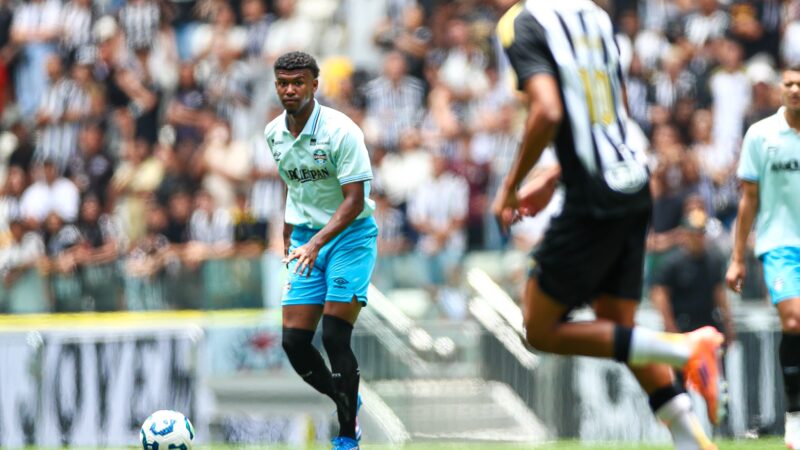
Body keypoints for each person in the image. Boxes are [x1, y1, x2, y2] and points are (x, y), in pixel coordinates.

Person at [491, 2, 724, 449]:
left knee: (539, 329)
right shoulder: (593, 14)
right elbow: (606, 116)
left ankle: (685, 349)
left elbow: (549, 112)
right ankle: (690, 439)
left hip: (592, 199)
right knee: (617, 325)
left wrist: (512, 186)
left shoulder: (522, 23)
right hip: (633, 184)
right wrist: (551, 177)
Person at [265, 51, 376, 450]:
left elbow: (354, 200)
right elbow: (296, 189)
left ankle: (347, 437)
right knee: (294, 343)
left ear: (315, 84)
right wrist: (289, 236)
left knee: (334, 335)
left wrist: (315, 242)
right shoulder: (273, 133)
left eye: (298, 82)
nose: (289, 89)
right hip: (304, 240)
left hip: (349, 236)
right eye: (282, 82)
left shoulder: (342, 131)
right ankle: (346, 397)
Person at [726, 65, 800, 449]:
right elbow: (748, 200)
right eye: (788, 83)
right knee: (794, 319)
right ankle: (795, 416)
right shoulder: (761, 134)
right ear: (779, 89)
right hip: (780, 244)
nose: (794, 89)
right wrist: (737, 257)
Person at [651, 204, 735, 344]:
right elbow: (660, 295)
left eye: (701, 233)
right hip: (683, 327)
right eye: (695, 233)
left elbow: (719, 293)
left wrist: (728, 325)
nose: (699, 237)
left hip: (708, 326)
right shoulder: (672, 262)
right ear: (685, 234)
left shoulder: (714, 260)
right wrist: (670, 327)